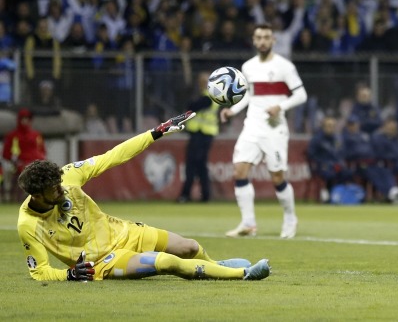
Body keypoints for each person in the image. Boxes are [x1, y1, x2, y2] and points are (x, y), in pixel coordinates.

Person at [17, 111, 270, 281]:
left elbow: (114, 155)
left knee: (189, 246)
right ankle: (244, 274)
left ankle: (216, 266)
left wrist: (156, 132)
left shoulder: (68, 176)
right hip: (104, 260)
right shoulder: (28, 225)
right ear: (37, 196)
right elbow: (39, 271)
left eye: (60, 184)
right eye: (54, 190)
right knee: (168, 262)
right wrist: (69, 275)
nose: (61, 190)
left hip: (125, 232)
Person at [221, 23, 308, 239]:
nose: (262, 41)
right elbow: (249, 95)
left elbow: (301, 95)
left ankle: (290, 218)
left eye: (266, 37)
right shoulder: (248, 66)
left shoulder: (284, 66)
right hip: (252, 126)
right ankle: (248, 224)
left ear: (273, 41)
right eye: (258, 37)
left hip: (274, 128)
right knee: (239, 171)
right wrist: (232, 110)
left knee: (277, 177)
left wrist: (281, 106)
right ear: (253, 40)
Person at [177, 72, 220, 203]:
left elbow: (193, 106)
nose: (202, 83)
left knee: (192, 165)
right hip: (202, 134)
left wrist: (192, 100)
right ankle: (205, 195)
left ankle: (185, 195)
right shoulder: (211, 95)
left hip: (201, 134)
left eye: (204, 81)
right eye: (201, 81)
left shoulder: (209, 97)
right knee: (201, 165)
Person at [2, 108, 46, 202]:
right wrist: (16, 162)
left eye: (27, 118)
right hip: (17, 165)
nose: (25, 121)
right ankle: (15, 199)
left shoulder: (36, 135)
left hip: (35, 164)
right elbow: (6, 154)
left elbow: (42, 151)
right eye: (23, 118)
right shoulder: (12, 136)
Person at [306, 115, 354, 196]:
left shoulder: (338, 139)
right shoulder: (317, 139)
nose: (330, 128)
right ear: (323, 127)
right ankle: (328, 194)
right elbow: (311, 154)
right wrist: (321, 161)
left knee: (347, 173)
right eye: (328, 126)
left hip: (336, 164)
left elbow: (342, 153)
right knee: (329, 173)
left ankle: (340, 194)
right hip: (322, 166)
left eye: (332, 126)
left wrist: (340, 161)